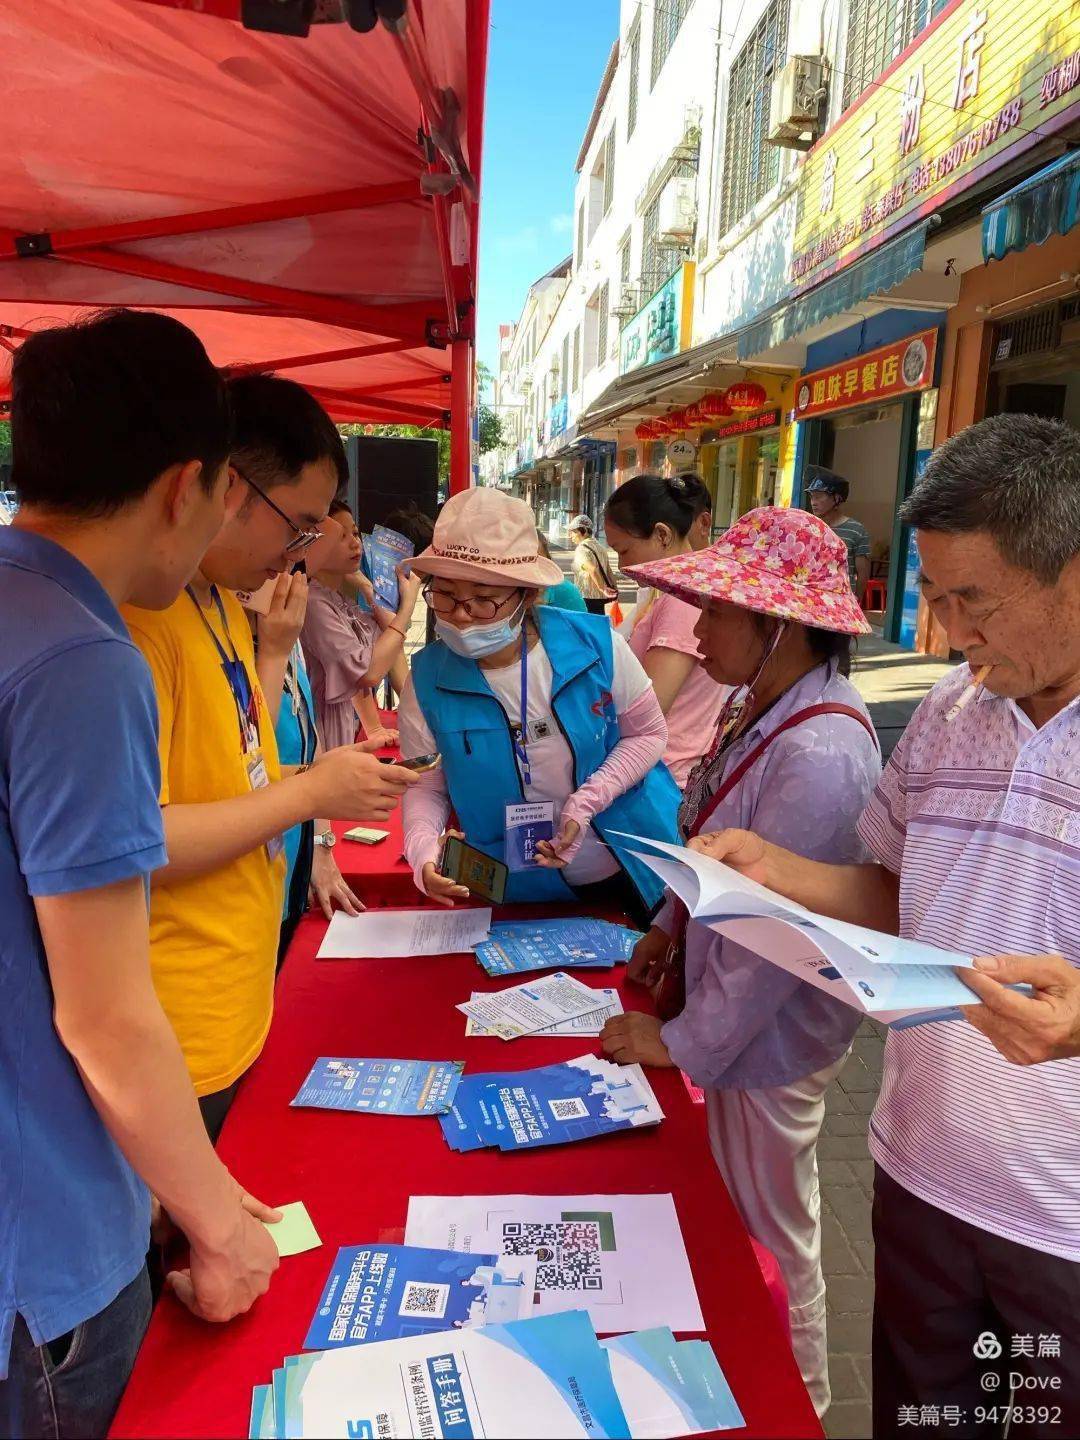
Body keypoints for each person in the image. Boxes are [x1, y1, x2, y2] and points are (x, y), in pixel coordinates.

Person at [697, 415, 1080, 1440]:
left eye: (972, 600)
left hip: (1063, 1228)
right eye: (933, 594)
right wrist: (779, 872)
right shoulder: (953, 712)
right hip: (919, 1180)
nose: (949, 628)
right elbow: (897, 888)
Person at [0, 310, 280, 1438]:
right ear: (185, 489)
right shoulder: (79, 656)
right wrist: (217, 1221)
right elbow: (107, 1015)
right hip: (48, 1252)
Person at [599, 507, 879, 1416]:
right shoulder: (756, 698)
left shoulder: (825, 751)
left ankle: (803, 1399)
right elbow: (718, 843)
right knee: (746, 1208)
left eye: (720, 611)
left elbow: (772, 936)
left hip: (774, 1030)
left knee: (776, 1228)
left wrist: (676, 1041)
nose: (700, 626)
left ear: (782, 628)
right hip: (731, 1003)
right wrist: (671, 925)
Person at [123, 374, 418, 1139]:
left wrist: (316, 785)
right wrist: (310, 796)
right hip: (173, 1038)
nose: (301, 549)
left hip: (232, 1005)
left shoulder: (219, 601)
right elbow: (129, 845)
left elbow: (235, 771)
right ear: (224, 485)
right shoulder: (135, 629)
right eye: (300, 524)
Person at [398, 488, 681, 923]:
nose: (460, 615)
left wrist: (588, 800)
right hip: (515, 886)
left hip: (629, 865)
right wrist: (421, 850)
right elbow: (426, 783)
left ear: (526, 596)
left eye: (484, 598)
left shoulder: (597, 645)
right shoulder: (426, 679)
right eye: (446, 595)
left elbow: (648, 734)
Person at [603, 474, 726, 787]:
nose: (621, 565)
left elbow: (650, 709)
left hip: (661, 776)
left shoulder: (682, 602)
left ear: (661, 535)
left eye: (625, 550)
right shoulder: (672, 593)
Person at [301, 496, 421, 751]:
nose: (355, 543)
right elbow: (366, 672)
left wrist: (368, 588)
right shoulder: (313, 603)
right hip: (322, 741)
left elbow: (387, 649)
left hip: (346, 732)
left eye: (354, 533)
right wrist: (407, 606)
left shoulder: (337, 599)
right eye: (341, 536)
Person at [806, 468, 871, 601]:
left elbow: (862, 574)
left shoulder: (856, 530)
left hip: (841, 603)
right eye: (812, 497)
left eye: (818, 496)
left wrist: (856, 602)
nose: (813, 502)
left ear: (837, 498)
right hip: (811, 601)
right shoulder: (808, 527)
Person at [568, 512, 619, 614]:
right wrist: (615, 590)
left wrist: (601, 588)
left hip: (587, 597)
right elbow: (609, 571)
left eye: (573, 532)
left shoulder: (582, 548)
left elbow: (592, 569)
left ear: (584, 531)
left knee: (587, 627)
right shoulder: (600, 547)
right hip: (602, 598)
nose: (570, 536)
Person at [536, 530, 586, 612]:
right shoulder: (509, 596)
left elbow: (581, 623)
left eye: (537, 559)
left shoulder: (566, 592)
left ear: (548, 559)